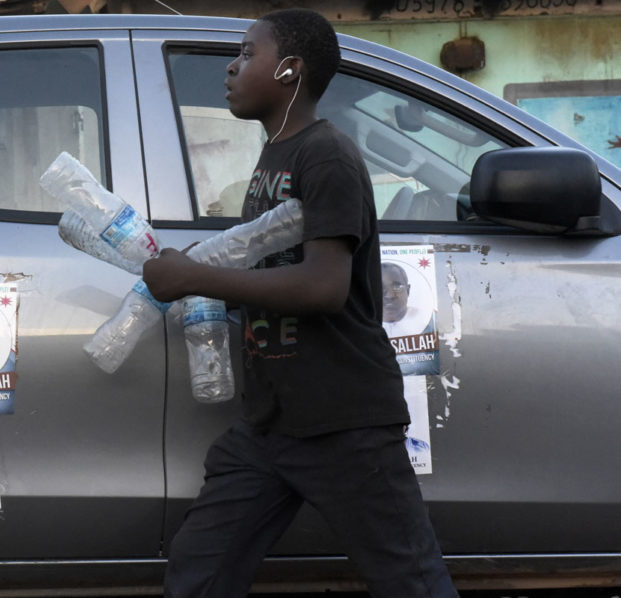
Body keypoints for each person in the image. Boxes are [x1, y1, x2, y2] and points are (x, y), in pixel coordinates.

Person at [142, 9, 457, 598]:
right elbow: (273, 273)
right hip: (270, 425)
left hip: (344, 421)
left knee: (408, 579)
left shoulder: (326, 156)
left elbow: (322, 286)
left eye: (246, 53)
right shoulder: (275, 157)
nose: (231, 68)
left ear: (290, 69)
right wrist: (203, 285)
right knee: (199, 567)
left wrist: (195, 279)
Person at [381, 261, 435, 338]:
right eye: (380, 288)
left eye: (397, 287)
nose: (390, 295)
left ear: (408, 290)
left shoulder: (427, 323)